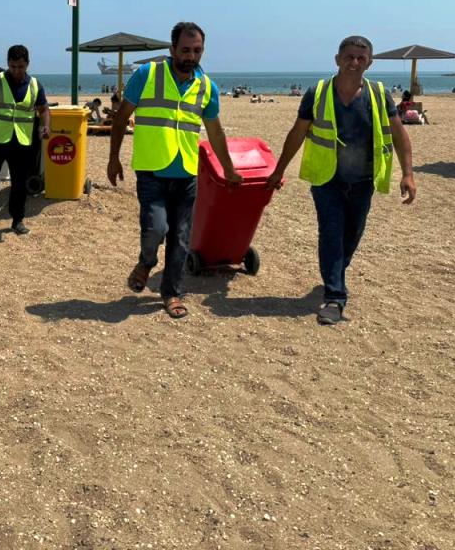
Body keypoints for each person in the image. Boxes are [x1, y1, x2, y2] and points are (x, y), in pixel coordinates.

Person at [266, 35, 416, 326]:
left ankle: (335, 271)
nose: (354, 63)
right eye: (348, 57)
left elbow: (399, 134)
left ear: (369, 63)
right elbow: (297, 133)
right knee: (331, 234)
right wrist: (279, 169)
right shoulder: (318, 92)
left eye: (361, 58)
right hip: (327, 180)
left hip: (363, 180)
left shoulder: (379, 94)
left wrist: (408, 174)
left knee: (351, 237)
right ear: (337, 59)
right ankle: (335, 297)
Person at [107, 22, 242, 319]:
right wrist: (113, 158)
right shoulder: (147, 75)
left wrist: (229, 169)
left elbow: (215, 132)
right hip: (152, 170)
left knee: (181, 239)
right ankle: (146, 262)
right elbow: (120, 118)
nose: (191, 56)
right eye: (185, 50)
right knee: (156, 228)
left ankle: (171, 293)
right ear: (172, 49)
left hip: (186, 173)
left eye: (197, 50)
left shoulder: (207, 87)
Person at [0, 47, 50, 238]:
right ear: (7, 63)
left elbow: (44, 109)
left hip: (22, 142)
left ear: (27, 64)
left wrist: (45, 126)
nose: (16, 70)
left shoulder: (35, 85)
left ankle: (17, 220)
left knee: (20, 183)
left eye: (20, 67)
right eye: (13, 66)